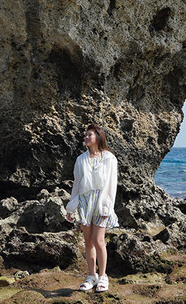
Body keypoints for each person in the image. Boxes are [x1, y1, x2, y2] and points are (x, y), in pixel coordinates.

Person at [65, 123, 118, 293]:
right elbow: (77, 184)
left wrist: (107, 207)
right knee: (88, 241)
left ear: (98, 137)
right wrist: (71, 207)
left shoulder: (109, 158)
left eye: (90, 135)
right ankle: (91, 276)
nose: (86, 137)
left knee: (98, 240)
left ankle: (103, 276)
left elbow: (112, 185)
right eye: (86, 135)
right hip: (84, 201)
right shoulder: (81, 159)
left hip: (102, 200)